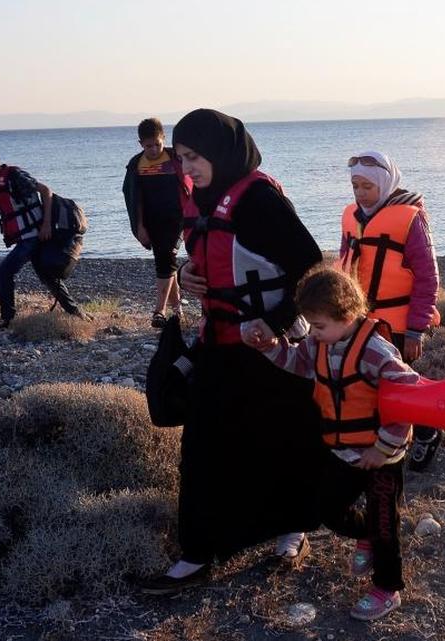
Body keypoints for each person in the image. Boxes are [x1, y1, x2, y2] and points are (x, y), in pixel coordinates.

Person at [139, 109, 324, 595]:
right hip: (218, 344)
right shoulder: (201, 198)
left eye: (193, 158)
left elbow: (310, 267)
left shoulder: (259, 198)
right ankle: (198, 552)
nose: (186, 168)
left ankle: (292, 531)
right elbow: (209, 255)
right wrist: (187, 273)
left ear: (220, 153)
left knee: (281, 438)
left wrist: (275, 322)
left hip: (272, 349)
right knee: (202, 449)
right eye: (181, 158)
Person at [247, 267, 419, 621]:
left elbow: (408, 397)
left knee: (386, 525)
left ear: (348, 314)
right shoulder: (318, 344)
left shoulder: (376, 352)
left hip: (383, 458)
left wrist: (383, 448)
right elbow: (296, 362)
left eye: (319, 326)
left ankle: (387, 589)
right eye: (311, 326)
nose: (313, 333)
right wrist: (270, 348)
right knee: (328, 509)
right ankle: (364, 534)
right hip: (344, 451)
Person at [337, 150, 442, 471]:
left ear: (384, 183)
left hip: (399, 322)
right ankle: (384, 445)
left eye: (367, 186)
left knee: (400, 386)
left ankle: (427, 433)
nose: (360, 193)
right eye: (355, 186)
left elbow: (428, 278)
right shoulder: (351, 216)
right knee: (369, 385)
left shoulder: (411, 219)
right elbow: (344, 266)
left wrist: (416, 330)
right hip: (361, 319)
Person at [0, 143, 89, 327]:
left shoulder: (15, 175)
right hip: (26, 238)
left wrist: (46, 224)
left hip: (34, 236)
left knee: (5, 271)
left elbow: (45, 191)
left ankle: (8, 320)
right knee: (48, 277)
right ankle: (78, 315)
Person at [122, 117, 191, 328]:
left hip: (178, 220)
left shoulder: (176, 159)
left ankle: (159, 311)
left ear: (164, 139)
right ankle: (177, 310)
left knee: (166, 258)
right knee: (166, 261)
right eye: (148, 146)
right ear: (140, 144)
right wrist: (139, 227)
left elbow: (193, 182)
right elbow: (133, 199)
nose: (153, 149)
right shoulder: (136, 165)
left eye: (157, 144)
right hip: (152, 222)